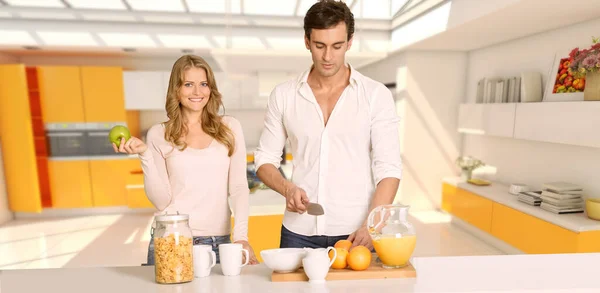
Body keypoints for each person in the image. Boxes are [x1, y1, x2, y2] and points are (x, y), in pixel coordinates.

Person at [254, 0, 402, 251]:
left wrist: (372, 225)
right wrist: (286, 188)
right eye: (319, 45)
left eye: (337, 46)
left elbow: (389, 169)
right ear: (306, 41)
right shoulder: (283, 95)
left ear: (350, 42)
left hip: (357, 232)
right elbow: (264, 160)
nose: (327, 56)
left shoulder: (375, 95)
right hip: (298, 232)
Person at [114, 54, 258, 265]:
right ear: (176, 90)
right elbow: (161, 200)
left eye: (203, 84)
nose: (197, 92)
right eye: (188, 84)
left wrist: (242, 238)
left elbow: (238, 187)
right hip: (171, 238)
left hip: (219, 242)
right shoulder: (158, 134)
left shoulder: (229, 128)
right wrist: (144, 154)